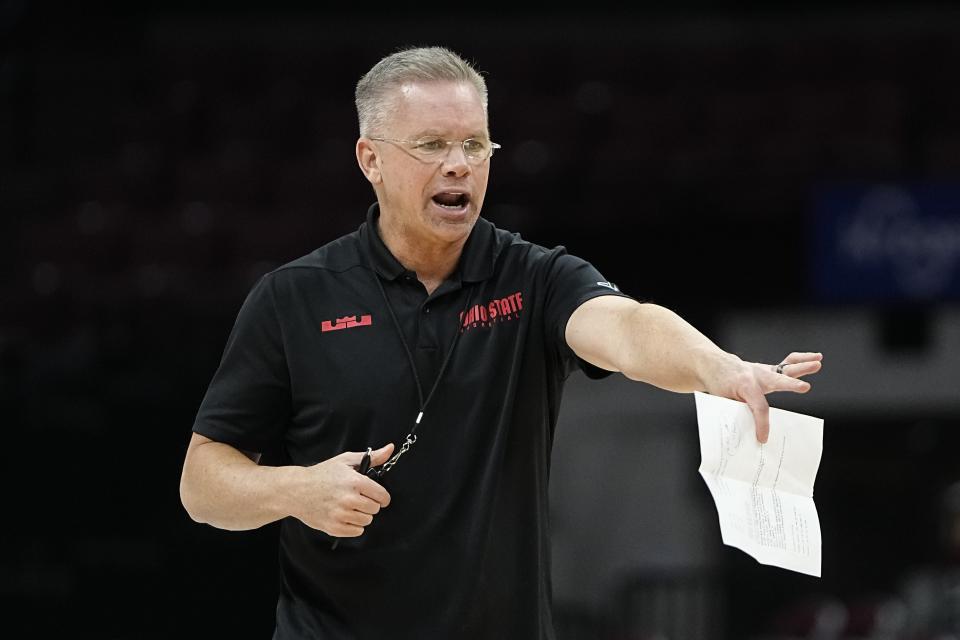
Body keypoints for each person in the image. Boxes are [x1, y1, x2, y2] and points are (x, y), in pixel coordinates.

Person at [179, 46, 823, 639]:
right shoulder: (294, 298)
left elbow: (625, 327)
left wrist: (719, 369)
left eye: (475, 144)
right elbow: (202, 484)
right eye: (431, 144)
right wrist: (296, 491)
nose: (458, 163)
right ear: (369, 158)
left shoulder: (534, 277)